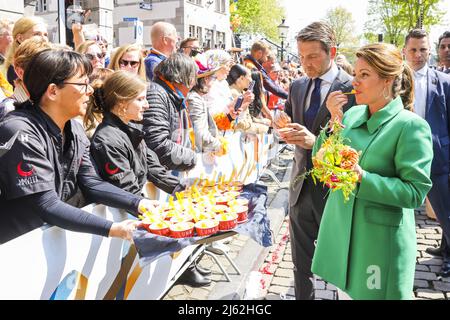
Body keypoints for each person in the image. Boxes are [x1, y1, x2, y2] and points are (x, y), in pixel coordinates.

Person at [312, 43, 433, 299]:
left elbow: (414, 193)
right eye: (355, 74)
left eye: (364, 75)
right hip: (341, 237)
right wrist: (333, 121)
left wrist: (361, 178)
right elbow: (320, 161)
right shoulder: (353, 113)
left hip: (377, 246)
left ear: (387, 80)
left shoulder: (411, 127)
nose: (355, 82)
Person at [0, 50, 157, 244]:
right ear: (53, 91)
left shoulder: (74, 127)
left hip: (46, 243)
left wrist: (140, 203)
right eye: (83, 84)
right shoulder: (18, 130)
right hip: (14, 248)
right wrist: (114, 229)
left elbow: (91, 182)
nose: (90, 90)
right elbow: (45, 203)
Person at [274, 21, 354, 300]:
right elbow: (285, 117)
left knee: (343, 262)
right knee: (300, 265)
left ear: (331, 51)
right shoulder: (297, 86)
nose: (305, 63)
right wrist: (280, 123)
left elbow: (356, 141)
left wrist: (316, 142)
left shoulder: (353, 86)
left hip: (334, 190)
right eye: (301, 56)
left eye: (312, 56)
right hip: (299, 188)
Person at [142, 53, 212, 286]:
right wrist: (193, 158)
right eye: (192, 78)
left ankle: (184, 266)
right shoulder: (157, 93)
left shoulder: (168, 93)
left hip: (171, 168)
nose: (194, 83)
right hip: (160, 174)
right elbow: (157, 142)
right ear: (182, 76)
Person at [403, 29, 450, 277]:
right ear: (404, 51)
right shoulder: (394, 81)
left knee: (445, 208)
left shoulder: (443, 82)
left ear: (429, 51)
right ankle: (443, 249)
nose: (418, 55)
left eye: (423, 50)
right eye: (413, 49)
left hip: (437, 156)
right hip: (402, 154)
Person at [0, 37, 52, 120]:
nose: (48, 75)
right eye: (41, 69)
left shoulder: (49, 104)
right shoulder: (9, 110)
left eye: (51, 69)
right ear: (20, 72)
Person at [187, 60, 224, 154]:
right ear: (206, 79)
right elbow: (200, 136)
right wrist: (219, 146)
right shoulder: (194, 99)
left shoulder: (196, 97)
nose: (213, 82)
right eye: (213, 78)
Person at [4, 16, 48, 87]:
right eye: (37, 34)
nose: (44, 39)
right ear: (20, 38)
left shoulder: (47, 60)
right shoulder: (17, 68)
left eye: (45, 35)